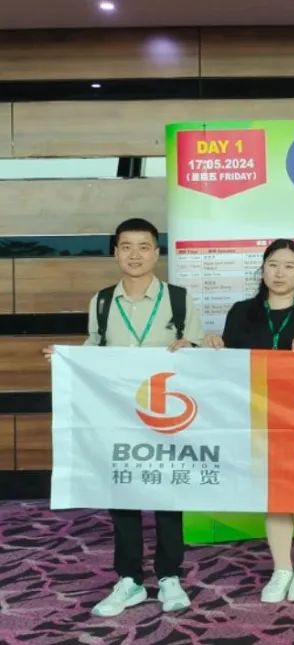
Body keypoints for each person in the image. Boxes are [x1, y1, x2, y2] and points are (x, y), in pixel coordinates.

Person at [43, 218, 205, 617]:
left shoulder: (179, 299)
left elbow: (198, 349)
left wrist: (192, 347)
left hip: (166, 414)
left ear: (156, 253)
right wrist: (66, 358)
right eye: (126, 246)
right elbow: (94, 347)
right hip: (118, 414)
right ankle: (129, 579)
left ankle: (169, 575)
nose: (135, 254)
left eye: (144, 246)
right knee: (122, 494)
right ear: (115, 252)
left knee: (169, 495)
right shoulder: (102, 301)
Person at [207, 238, 294, 604]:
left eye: (289, 266)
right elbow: (229, 361)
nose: (280, 273)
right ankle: (282, 567)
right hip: (259, 413)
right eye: (273, 265)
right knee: (276, 492)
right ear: (262, 270)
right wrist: (214, 345)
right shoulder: (241, 311)